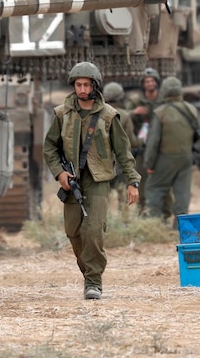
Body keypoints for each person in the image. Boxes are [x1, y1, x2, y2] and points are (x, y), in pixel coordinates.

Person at [44, 62, 140, 300]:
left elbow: (123, 151)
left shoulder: (108, 116)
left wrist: (132, 181)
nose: (82, 89)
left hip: (98, 180)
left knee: (94, 230)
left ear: (95, 86)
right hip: (71, 181)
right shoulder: (61, 114)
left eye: (87, 85)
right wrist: (60, 173)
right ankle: (88, 271)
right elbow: (50, 148)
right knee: (73, 232)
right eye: (78, 84)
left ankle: (94, 281)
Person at [143, 77, 200, 226]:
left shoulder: (160, 113)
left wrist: (149, 163)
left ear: (164, 91)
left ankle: (153, 224)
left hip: (165, 158)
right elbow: (198, 133)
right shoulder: (192, 109)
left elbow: (153, 141)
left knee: (155, 188)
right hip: (186, 157)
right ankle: (180, 226)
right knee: (182, 192)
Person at [124, 67, 162, 211]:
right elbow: (124, 116)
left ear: (156, 82)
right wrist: (134, 112)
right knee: (141, 180)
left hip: (160, 146)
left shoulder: (162, 99)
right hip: (143, 147)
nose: (150, 83)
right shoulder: (136, 100)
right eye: (147, 81)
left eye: (152, 80)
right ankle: (142, 211)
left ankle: (161, 211)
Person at [102, 81, 141, 203]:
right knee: (123, 194)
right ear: (121, 96)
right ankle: (123, 220)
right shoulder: (124, 115)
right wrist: (142, 141)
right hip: (119, 161)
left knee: (102, 196)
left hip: (101, 161)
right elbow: (131, 141)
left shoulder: (97, 113)